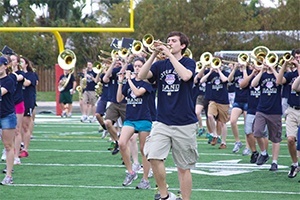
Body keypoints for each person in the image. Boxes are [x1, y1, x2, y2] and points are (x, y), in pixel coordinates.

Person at [139, 31, 198, 200]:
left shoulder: (189, 62)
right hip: (162, 121)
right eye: (168, 41)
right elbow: (142, 76)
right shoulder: (160, 65)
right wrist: (153, 55)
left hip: (185, 122)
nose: (169, 43)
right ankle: (165, 195)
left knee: (183, 167)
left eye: (173, 41)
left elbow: (186, 76)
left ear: (183, 46)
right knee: (152, 155)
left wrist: (170, 56)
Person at [117, 57, 153, 189]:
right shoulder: (129, 82)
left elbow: (137, 93)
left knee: (144, 150)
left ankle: (145, 180)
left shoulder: (147, 84)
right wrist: (121, 82)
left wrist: (129, 80)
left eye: (139, 66)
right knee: (121, 143)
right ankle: (131, 172)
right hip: (130, 118)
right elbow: (119, 98)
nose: (137, 68)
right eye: (135, 66)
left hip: (143, 118)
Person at [251, 58, 282, 171]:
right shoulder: (263, 75)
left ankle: (274, 162)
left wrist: (273, 68)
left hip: (275, 110)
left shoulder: (279, 74)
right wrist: (261, 71)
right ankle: (263, 153)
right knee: (257, 131)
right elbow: (253, 84)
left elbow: (279, 81)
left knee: (275, 138)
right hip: (262, 109)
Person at [277, 48, 300, 178]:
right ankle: (294, 163)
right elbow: (279, 81)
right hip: (292, 110)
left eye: (299, 57)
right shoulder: (291, 75)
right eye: (295, 57)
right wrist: (284, 65)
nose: (297, 59)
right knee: (290, 139)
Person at [200, 63, 230, 149]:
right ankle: (215, 135)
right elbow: (201, 81)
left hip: (223, 101)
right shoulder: (209, 73)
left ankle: (223, 142)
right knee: (209, 115)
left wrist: (219, 71)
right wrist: (210, 72)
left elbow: (225, 80)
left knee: (223, 123)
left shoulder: (225, 72)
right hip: (213, 100)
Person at [0, 56, 17, 185]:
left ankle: (9, 175)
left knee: (8, 145)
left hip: (6, 115)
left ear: (5, 66)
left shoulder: (9, 80)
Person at [228, 62, 251, 155]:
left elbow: (246, 82)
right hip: (238, 100)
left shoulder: (249, 71)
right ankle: (238, 141)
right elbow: (229, 80)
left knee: (247, 125)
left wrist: (244, 69)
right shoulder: (236, 72)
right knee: (232, 121)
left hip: (248, 100)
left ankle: (248, 147)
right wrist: (234, 69)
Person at [19, 56, 38, 158]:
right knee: (18, 126)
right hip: (17, 101)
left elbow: (27, 83)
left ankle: (25, 149)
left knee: (25, 126)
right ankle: (20, 145)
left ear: (26, 64)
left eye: (21, 62)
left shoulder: (31, 74)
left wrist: (19, 76)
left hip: (27, 101)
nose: (19, 64)